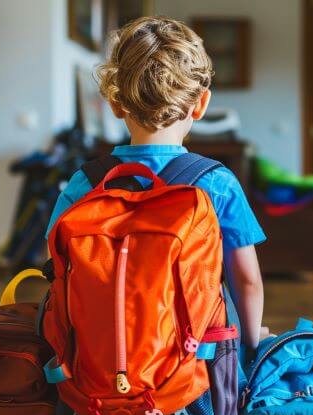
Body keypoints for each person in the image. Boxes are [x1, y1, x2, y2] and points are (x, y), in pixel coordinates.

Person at [46, 16, 266, 349]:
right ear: (201, 104)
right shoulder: (217, 183)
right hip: (195, 368)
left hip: (98, 364)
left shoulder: (84, 182)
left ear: (116, 105)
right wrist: (251, 348)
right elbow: (247, 282)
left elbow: (57, 270)